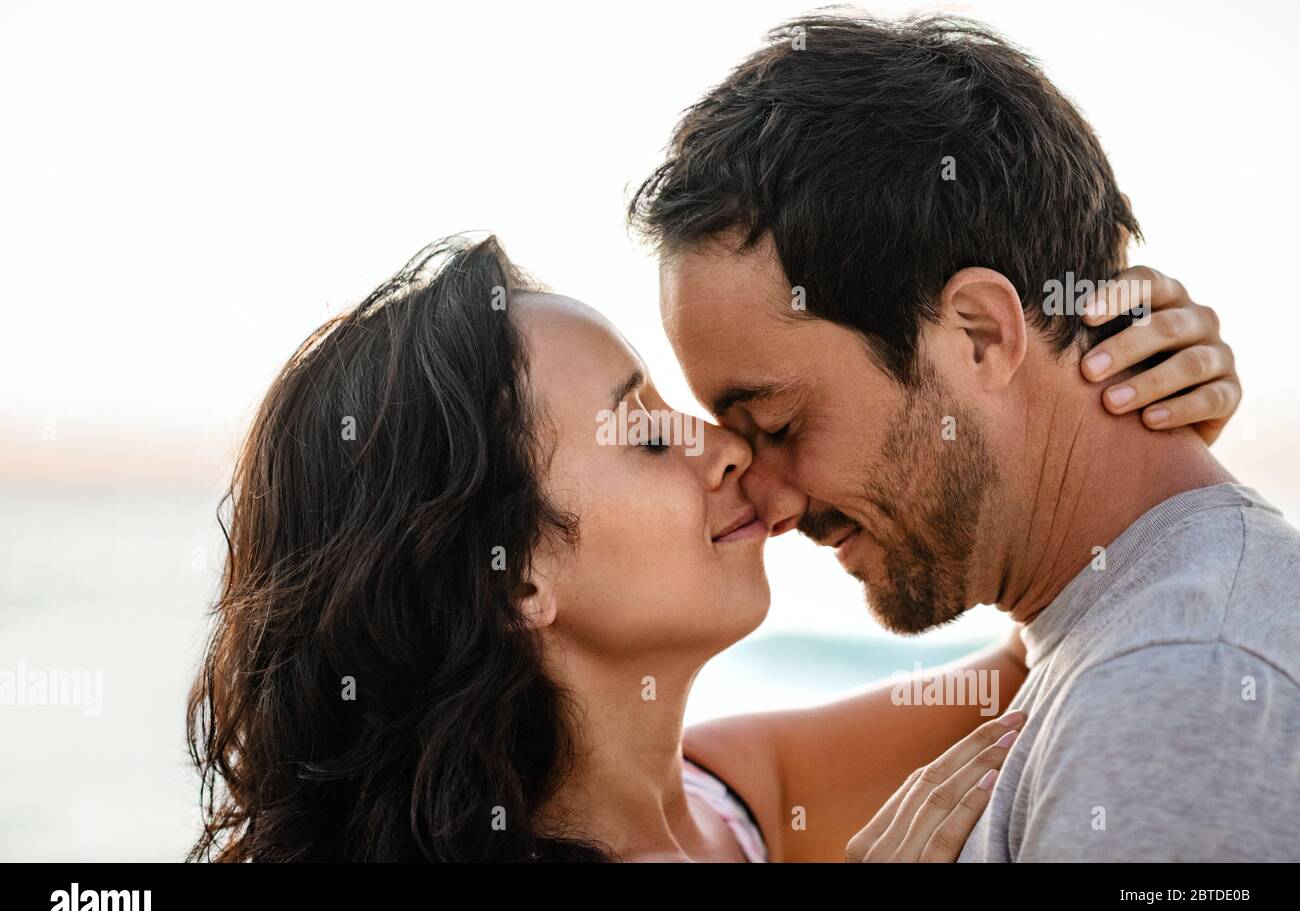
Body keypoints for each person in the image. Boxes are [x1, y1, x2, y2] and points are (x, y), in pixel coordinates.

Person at [188, 230, 1240, 861]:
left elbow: (1046, 655)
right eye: (647, 431)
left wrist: (1106, 399)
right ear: (514, 576)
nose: (726, 446)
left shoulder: (729, 796)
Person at [630, 12, 1298, 862]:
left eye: (778, 424)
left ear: (981, 333)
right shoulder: (1116, 652)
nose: (768, 496)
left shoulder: (1174, 690)